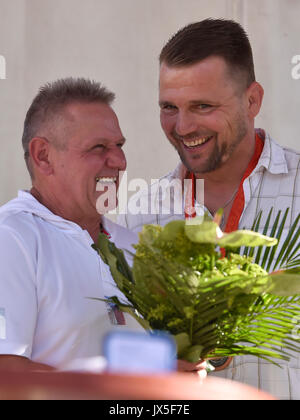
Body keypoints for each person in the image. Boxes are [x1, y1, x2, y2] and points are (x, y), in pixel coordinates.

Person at [118, 20, 300, 399]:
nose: (183, 127)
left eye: (202, 106)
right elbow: (117, 339)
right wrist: (152, 360)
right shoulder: (140, 212)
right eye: (169, 107)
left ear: (252, 101)